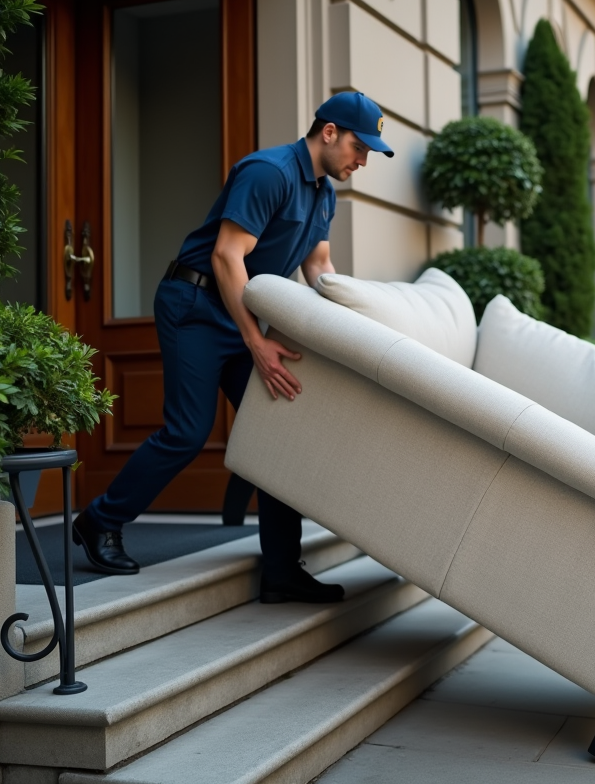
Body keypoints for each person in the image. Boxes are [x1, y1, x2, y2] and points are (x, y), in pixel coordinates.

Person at [72, 92, 394, 604]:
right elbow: (227, 257)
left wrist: (363, 331)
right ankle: (98, 521)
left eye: (370, 152)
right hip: (195, 304)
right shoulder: (269, 173)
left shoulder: (324, 194)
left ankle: (282, 570)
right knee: (188, 430)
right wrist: (257, 342)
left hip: (237, 313)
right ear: (328, 132)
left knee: (278, 435)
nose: (363, 159)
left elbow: (319, 271)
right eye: (360, 146)